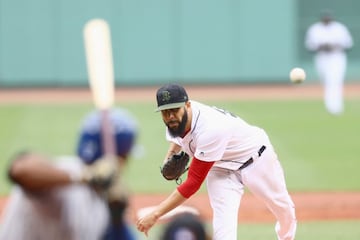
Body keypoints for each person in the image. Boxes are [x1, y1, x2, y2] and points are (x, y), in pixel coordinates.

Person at [136, 83, 297, 240]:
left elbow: (193, 182)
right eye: (165, 112)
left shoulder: (211, 129)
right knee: (223, 229)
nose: (170, 116)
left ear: (187, 105)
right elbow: (178, 139)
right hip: (220, 168)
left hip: (256, 159)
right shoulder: (174, 122)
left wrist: (156, 214)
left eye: (174, 110)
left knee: (284, 211)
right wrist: (168, 159)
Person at [0, 108, 139, 240]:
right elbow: (19, 170)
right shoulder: (62, 172)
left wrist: (117, 218)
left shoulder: (104, 197)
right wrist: (86, 176)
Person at [305, 9, 353, 115]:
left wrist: (334, 46)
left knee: (335, 81)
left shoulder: (339, 28)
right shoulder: (315, 29)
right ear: (322, 18)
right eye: (325, 17)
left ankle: (335, 107)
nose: (327, 19)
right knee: (326, 81)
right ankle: (331, 105)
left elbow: (348, 45)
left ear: (332, 18)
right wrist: (322, 46)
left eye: (328, 17)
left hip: (337, 57)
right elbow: (310, 46)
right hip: (322, 58)